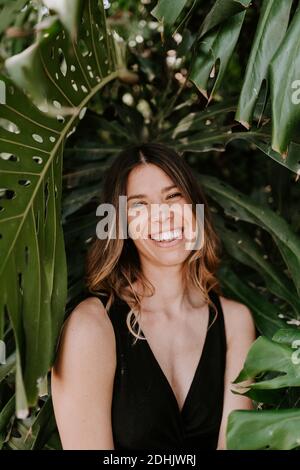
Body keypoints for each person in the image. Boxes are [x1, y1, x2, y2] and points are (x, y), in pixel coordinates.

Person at [51, 142, 257, 450]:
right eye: (139, 205)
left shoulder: (235, 323)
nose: (162, 216)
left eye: (173, 196)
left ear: (195, 206)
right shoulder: (92, 328)